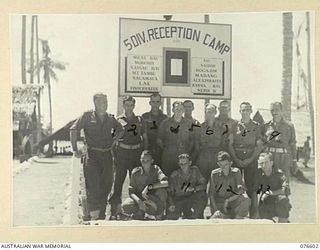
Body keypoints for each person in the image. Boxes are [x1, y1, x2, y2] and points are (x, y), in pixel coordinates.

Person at [70, 93, 124, 220]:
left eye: (106, 102)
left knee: (106, 185)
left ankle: (101, 215)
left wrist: (114, 140)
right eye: (101, 102)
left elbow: (121, 130)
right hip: (92, 156)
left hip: (106, 155)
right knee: (93, 185)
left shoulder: (110, 118)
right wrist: (74, 149)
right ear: (95, 103)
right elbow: (73, 129)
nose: (104, 105)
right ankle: (92, 215)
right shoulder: (87, 116)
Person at [109, 96, 148, 220]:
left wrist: (144, 153)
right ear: (123, 105)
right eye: (127, 105)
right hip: (122, 153)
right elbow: (112, 139)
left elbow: (145, 138)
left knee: (135, 183)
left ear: (134, 106)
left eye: (131, 105)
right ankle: (115, 211)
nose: (129, 107)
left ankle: (138, 210)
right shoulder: (117, 120)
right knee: (118, 182)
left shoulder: (140, 120)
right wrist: (114, 156)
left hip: (136, 153)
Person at [228, 102, 263, 216]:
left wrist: (251, 159)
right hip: (236, 157)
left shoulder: (256, 126)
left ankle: (254, 213)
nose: (245, 112)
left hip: (251, 159)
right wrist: (236, 159)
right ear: (240, 111)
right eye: (243, 110)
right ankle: (232, 213)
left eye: (247, 110)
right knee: (233, 186)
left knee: (252, 187)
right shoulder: (234, 125)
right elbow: (230, 144)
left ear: (251, 111)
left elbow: (259, 145)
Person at [122, 150, 168, 220]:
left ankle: (159, 213)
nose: (145, 163)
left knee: (162, 192)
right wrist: (139, 201)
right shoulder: (135, 172)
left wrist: (149, 187)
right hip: (140, 198)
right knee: (126, 205)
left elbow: (165, 183)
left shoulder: (156, 169)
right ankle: (140, 212)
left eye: (147, 160)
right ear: (140, 161)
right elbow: (131, 191)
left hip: (153, 198)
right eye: (143, 160)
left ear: (152, 161)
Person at [208, 151, 251, 219]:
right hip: (220, 202)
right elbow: (211, 194)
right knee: (217, 217)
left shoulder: (236, 172)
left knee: (246, 199)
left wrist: (228, 200)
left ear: (230, 163)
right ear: (218, 164)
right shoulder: (214, 174)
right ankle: (225, 216)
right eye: (221, 165)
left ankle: (237, 218)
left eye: (226, 165)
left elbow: (240, 190)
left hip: (233, 200)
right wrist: (215, 210)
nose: (223, 167)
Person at [157, 101, 194, 176]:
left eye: (181, 109)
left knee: (182, 179)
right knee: (167, 179)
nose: (179, 111)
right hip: (168, 157)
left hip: (183, 157)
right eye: (177, 109)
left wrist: (186, 151)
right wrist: (167, 149)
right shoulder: (165, 123)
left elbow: (192, 141)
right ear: (173, 110)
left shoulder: (189, 123)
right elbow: (159, 140)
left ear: (183, 110)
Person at [252, 153, 291, 223]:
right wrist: (256, 210)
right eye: (261, 163)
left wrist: (270, 193)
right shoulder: (259, 174)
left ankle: (283, 223)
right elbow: (255, 192)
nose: (263, 165)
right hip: (266, 202)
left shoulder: (279, 174)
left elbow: (285, 190)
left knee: (283, 199)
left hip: (279, 202)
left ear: (271, 163)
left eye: (265, 162)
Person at [261, 102, 297, 179]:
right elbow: (262, 143)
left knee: (284, 181)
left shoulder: (289, 126)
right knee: (269, 180)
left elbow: (293, 144)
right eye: (272, 110)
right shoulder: (265, 126)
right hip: (270, 156)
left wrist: (294, 161)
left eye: (276, 110)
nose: (274, 112)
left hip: (284, 157)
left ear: (282, 111)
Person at [166, 153, 207, 220]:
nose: (183, 166)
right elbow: (169, 192)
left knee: (202, 195)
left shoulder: (195, 171)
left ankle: (196, 215)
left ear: (190, 163)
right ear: (178, 164)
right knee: (171, 218)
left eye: (185, 164)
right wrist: (171, 204)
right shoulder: (174, 175)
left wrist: (194, 188)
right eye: (181, 164)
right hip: (178, 200)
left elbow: (204, 186)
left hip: (191, 199)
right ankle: (186, 214)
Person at [194, 103, 224, 181]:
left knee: (216, 179)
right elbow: (197, 143)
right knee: (203, 178)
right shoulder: (200, 127)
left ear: (215, 112)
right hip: (204, 156)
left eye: (212, 111)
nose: (210, 113)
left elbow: (224, 143)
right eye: (208, 111)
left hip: (216, 156)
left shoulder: (221, 127)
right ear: (205, 113)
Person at [142, 93, 167, 166]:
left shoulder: (165, 118)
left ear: (160, 103)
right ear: (150, 103)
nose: (155, 104)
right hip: (148, 150)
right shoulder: (144, 117)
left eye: (157, 102)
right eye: (153, 102)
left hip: (161, 151)